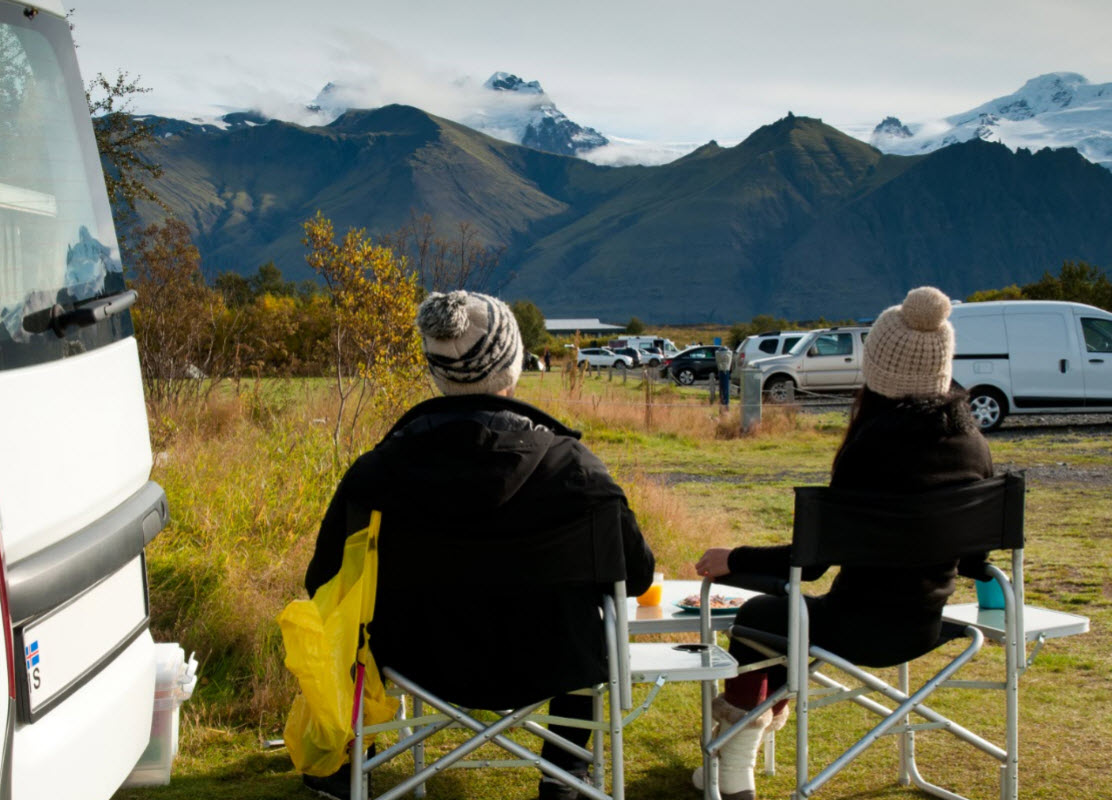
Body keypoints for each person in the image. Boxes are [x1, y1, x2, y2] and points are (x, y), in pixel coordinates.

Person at [303, 290, 655, 800]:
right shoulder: (577, 472)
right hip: (549, 663)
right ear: (513, 368)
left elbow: (323, 581)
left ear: (436, 373)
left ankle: (355, 760)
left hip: (414, 660)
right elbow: (636, 577)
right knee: (584, 626)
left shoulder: (376, 474)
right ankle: (565, 774)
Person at [693, 287, 993, 800]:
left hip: (851, 627)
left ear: (877, 367)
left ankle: (735, 761)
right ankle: (724, 760)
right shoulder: (974, 445)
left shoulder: (869, 449)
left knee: (759, 619)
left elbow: (809, 568)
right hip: (924, 627)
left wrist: (732, 559)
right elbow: (974, 561)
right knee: (790, 624)